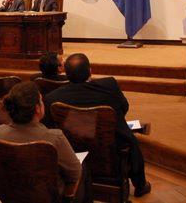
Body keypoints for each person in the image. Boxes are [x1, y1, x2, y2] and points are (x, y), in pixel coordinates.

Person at [43, 53, 151, 198]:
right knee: (128, 138)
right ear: (90, 71)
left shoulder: (52, 98)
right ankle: (140, 185)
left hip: (74, 149)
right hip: (110, 148)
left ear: (66, 74)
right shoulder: (109, 86)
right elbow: (124, 108)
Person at [0, 82, 82, 198]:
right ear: (37, 109)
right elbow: (75, 174)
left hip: (11, 195)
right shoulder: (54, 138)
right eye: (41, 100)